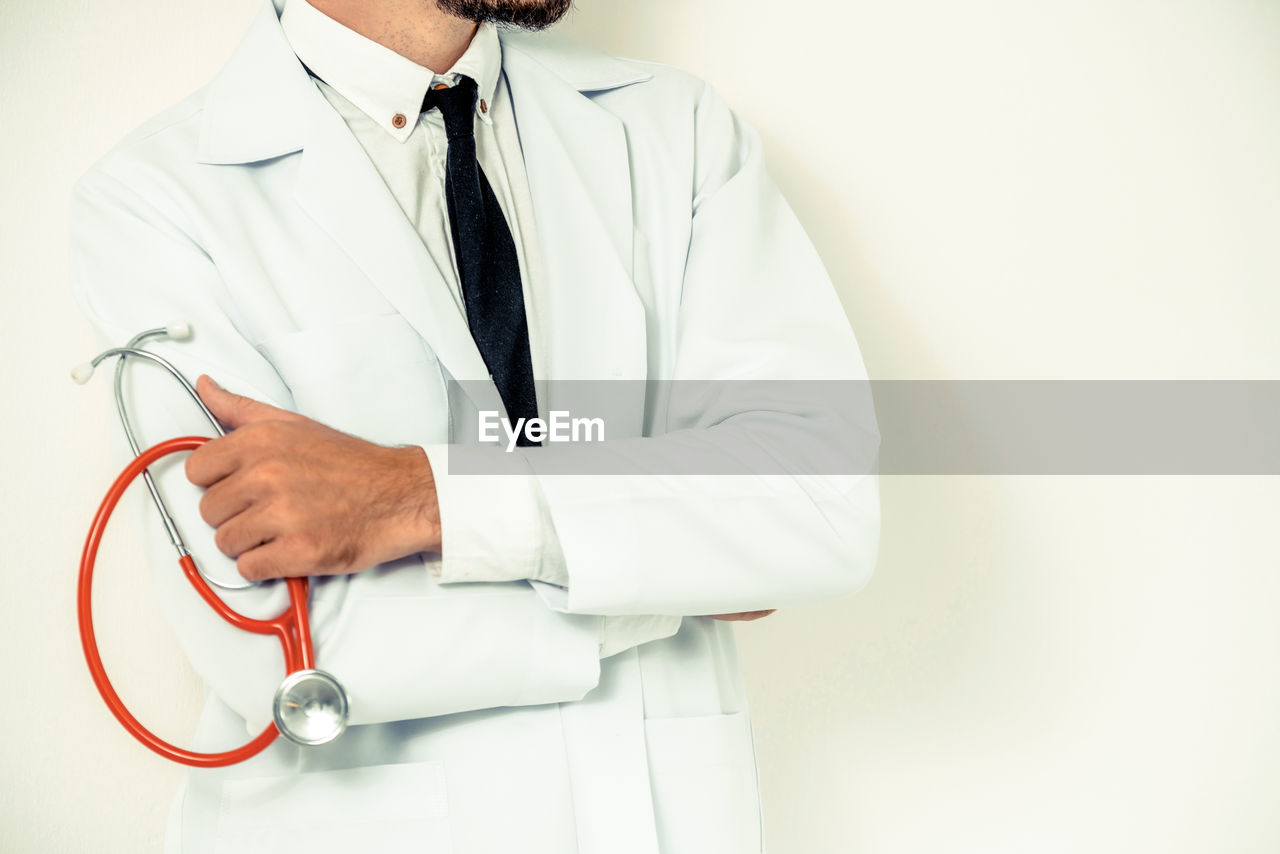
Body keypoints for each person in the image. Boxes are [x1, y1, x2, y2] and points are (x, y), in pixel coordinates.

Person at [68, 0, 881, 851]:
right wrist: (672, 570)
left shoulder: (673, 131)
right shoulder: (155, 201)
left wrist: (422, 499)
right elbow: (286, 656)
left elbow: (815, 504)